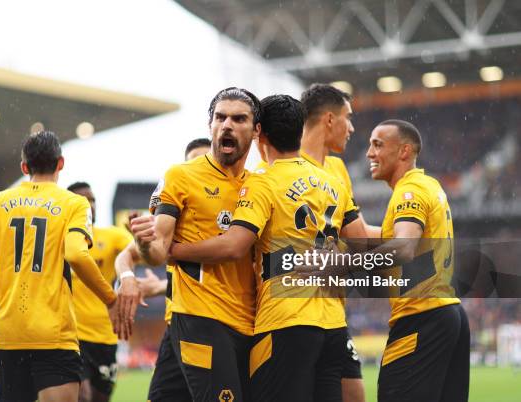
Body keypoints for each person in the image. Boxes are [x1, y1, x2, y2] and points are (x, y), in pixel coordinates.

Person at [167, 94, 366, 402]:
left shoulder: (263, 182)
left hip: (286, 322)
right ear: (300, 131)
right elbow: (360, 243)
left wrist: (176, 251)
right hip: (333, 325)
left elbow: (234, 245)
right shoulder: (332, 182)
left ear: (260, 133)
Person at [0, 131, 119, 402]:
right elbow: (76, 254)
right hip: (54, 336)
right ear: (60, 164)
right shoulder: (75, 204)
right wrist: (110, 299)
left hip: (8, 337)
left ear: (24, 167)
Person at [120, 87, 261, 402]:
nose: (227, 125)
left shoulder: (258, 185)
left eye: (239, 119)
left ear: (256, 131)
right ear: (210, 125)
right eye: (220, 117)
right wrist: (144, 243)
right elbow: (158, 252)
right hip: (200, 317)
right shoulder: (181, 177)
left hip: (250, 321)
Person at [366, 120, 469, 402]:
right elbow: (395, 235)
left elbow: (404, 246)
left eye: (377, 144)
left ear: (404, 151)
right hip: (448, 314)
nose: (369, 153)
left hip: (421, 317)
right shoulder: (429, 185)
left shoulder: (407, 192)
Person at [300, 83, 379, 402]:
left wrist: (407, 234)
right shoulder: (279, 169)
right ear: (329, 120)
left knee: (353, 394)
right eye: (348, 117)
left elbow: (356, 233)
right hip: (294, 311)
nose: (352, 126)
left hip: (333, 309)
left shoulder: (337, 168)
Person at [124, 137, 212, 402]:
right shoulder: (167, 217)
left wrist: (162, 281)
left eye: (205, 161)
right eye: (192, 162)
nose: (198, 168)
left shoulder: (232, 213)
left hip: (216, 323)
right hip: (177, 323)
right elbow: (127, 257)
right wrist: (128, 277)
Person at [68, 182, 133, 402]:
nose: (90, 205)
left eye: (92, 200)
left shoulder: (112, 236)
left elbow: (144, 255)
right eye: (83, 200)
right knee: (82, 396)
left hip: (106, 336)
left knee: (99, 399)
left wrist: (141, 241)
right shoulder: (58, 243)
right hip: (71, 337)